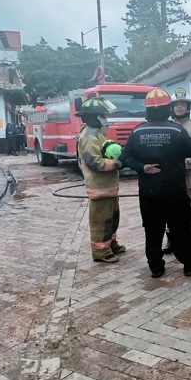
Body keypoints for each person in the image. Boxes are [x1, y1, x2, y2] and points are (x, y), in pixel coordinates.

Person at [120, 87, 191, 278]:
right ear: (167, 109)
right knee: (181, 230)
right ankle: (190, 265)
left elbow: (125, 157)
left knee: (152, 232)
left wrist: (142, 167)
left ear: (148, 110)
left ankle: (156, 267)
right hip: (175, 191)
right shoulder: (176, 130)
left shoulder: (137, 132)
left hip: (149, 193)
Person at [76, 97, 126, 262]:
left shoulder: (97, 133)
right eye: (103, 115)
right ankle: (100, 252)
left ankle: (110, 244)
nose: (105, 119)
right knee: (101, 222)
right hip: (99, 188)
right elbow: (94, 162)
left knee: (112, 219)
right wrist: (117, 163)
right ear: (94, 116)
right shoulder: (89, 135)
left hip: (108, 187)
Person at [163, 87, 191, 254]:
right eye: (176, 105)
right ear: (171, 108)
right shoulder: (167, 126)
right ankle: (171, 241)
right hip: (172, 175)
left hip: (190, 175)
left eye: (182, 104)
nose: (179, 107)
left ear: (188, 107)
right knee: (170, 208)